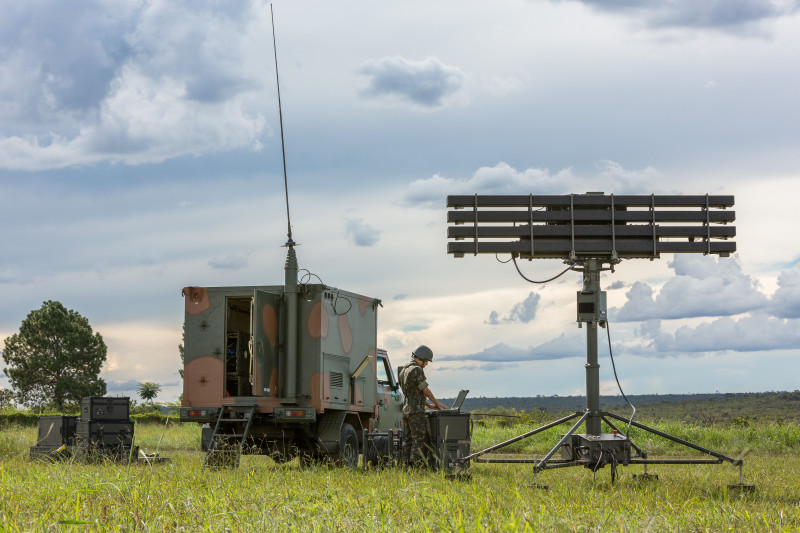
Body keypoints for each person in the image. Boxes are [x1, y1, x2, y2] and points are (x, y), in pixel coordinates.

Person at [398, 345, 447, 467]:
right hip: (416, 411)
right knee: (419, 439)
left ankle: (405, 466)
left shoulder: (403, 370)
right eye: (427, 362)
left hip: (406, 409)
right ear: (423, 358)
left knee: (408, 440)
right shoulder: (416, 369)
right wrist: (437, 403)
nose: (427, 364)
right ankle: (416, 466)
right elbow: (425, 390)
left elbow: (413, 392)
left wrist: (428, 405)